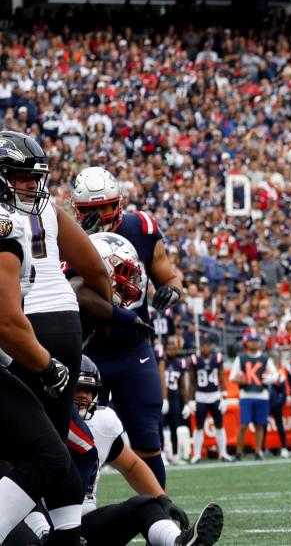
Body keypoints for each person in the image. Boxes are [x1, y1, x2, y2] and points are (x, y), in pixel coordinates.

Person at [74, 165, 185, 488]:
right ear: (79, 210)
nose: (103, 213)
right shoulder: (67, 236)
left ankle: (160, 519)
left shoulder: (142, 227)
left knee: (147, 438)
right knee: (81, 440)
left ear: (118, 202)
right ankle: (77, 518)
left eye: (107, 205)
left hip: (134, 349)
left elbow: (169, 276)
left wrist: (172, 291)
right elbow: (77, 294)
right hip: (87, 353)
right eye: (92, 209)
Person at [50, 355, 222, 546]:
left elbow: (131, 465)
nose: (83, 396)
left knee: (146, 504)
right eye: (77, 388)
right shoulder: (42, 422)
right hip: (43, 526)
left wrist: (163, 499)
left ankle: (179, 542)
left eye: (88, 390)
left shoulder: (102, 423)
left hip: (84, 525)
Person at [0, 172, 76, 544]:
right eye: (22, 178)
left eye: (35, 178)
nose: (32, 187)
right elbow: (7, 322)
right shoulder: (4, 226)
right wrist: (46, 365)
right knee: (49, 455)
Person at [229, 331, 277, 461]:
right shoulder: (241, 358)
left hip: (261, 394)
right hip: (246, 395)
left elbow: (275, 375)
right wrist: (240, 380)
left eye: (256, 340)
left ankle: (258, 451)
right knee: (243, 425)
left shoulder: (265, 358)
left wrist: (268, 379)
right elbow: (232, 377)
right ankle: (239, 452)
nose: (254, 343)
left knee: (260, 425)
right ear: (247, 342)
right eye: (251, 340)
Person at [188, 335, 232, 463]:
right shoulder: (195, 360)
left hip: (214, 396)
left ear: (211, 346)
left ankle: (223, 453)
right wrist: (190, 400)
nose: (205, 348)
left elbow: (221, 378)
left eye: (207, 345)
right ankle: (196, 455)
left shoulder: (217, 359)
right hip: (200, 397)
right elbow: (191, 381)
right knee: (199, 426)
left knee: (219, 425)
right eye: (203, 346)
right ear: (200, 347)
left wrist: (224, 397)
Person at [162, 337, 191, 464]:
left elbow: (182, 386)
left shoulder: (180, 364)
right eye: (169, 348)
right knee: (160, 427)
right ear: (165, 350)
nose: (171, 351)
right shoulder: (161, 362)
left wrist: (186, 403)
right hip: (163, 398)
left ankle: (175, 454)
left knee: (174, 427)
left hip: (174, 398)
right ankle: (162, 453)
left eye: (173, 349)